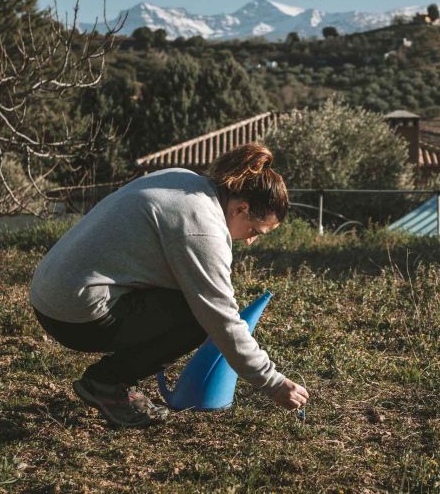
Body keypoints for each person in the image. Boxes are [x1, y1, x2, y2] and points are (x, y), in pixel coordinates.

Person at [29, 143, 309, 427]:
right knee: (198, 315)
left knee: (192, 297)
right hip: (76, 315)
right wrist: (273, 382)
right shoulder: (203, 229)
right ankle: (106, 383)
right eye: (255, 230)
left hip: (48, 293)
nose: (250, 240)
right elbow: (222, 319)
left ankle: (108, 379)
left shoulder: (183, 179)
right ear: (241, 209)